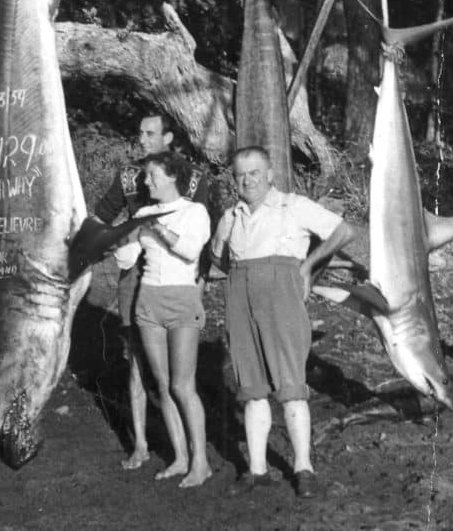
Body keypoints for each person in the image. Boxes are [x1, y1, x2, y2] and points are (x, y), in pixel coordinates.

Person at [209, 146, 357, 499]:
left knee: (290, 385)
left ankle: (303, 468)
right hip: (240, 299)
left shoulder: (294, 206)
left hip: (282, 298)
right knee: (252, 387)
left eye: (254, 173)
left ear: (270, 174)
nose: (247, 181)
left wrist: (308, 266)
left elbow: (343, 231)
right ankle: (257, 470)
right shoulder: (230, 217)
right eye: (240, 175)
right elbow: (218, 258)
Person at [90, 111, 214, 471]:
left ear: (168, 138)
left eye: (150, 133)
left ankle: (197, 458)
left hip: (179, 281)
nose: (142, 140)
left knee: (181, 381)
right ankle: (148, 447)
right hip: (141, 282)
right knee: (141, 367)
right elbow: (106, 224)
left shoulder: (194, 185)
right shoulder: (130, 178)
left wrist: (200, 283)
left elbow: (198, 244)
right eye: (140, 133)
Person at [113, 151, 212, 488]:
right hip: (148, 302)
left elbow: (190, 250)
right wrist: (120, 237)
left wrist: (155, 227)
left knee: (183, 386)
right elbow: (127, 260)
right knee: (163, 383)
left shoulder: (194, 212)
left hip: (182, 299)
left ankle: (201, 463)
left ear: (172, 176)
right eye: (145, 176)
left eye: (152, 175)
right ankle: (180, 458)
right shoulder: (142, 213)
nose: (145, 181)